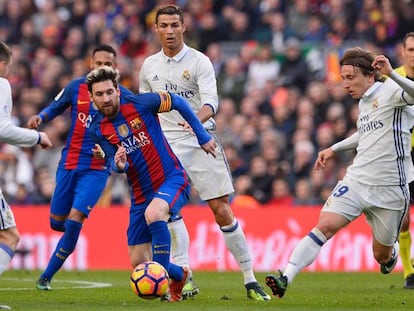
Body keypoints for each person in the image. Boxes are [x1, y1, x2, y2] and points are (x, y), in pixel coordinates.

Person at [139, 4, 271, 301]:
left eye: (175, 25)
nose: (170, 31)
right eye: (165, 26)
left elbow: (213, 101)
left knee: (220, 209)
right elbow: (144, 107)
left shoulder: (199, 61)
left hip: (201, 141)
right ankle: (185, 277)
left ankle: (250, 280)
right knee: (168, 211)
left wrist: (195, 123)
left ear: (184, 27)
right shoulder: (149, 66)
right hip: (165, 145)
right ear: (156, 29)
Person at [265, 47, 414, 298]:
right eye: (343, 78)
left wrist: (391, 74)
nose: (345, 84)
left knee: (381, 255)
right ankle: (285, 277)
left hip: (390, 189)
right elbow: (364, 135)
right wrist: (333, 148)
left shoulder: (391, 90)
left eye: (350, 77)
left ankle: (391, 255)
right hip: (357, 180)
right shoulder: (365, 102)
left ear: (370, 75)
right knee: (325, 225)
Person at [86, 66, 216, 302]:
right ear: (91, 98)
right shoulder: (97, 129)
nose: (105, 98)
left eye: (109, 92)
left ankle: (166, 277)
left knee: (155, 213)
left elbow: (178, 102)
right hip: (140, 194)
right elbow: (113, 165)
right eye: (99, 94)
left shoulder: (141, 104)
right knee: (138, 262)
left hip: (171, 179)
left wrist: (202, 135)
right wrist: (120, 164)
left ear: (117, 90)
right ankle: (179, 274)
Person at [27, 45, 132, 290]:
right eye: (99, 63)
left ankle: (45, 277)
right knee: (57, 222)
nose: (104, 67)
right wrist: (41, 117)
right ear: (91, 65)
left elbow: (125, 134)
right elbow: (56, 106)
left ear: (116, 68)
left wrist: (108, 153)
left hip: (97, 168)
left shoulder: (123, 96)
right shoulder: (76, 87)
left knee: (75, 220)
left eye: (109, 63)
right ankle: (72, 235)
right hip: (69, 162)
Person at [0, 41, 52, 310]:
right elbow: (3, 129)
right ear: (2, 64)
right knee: (9, 237)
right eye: (8, 66)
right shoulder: (1, 83)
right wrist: (37, 137)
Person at [394, 31, 414, 289]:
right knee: (404, 217)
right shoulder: (394, 78)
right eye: (410, 49)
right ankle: (409, 272)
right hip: (402, 156)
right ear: (403, 52)